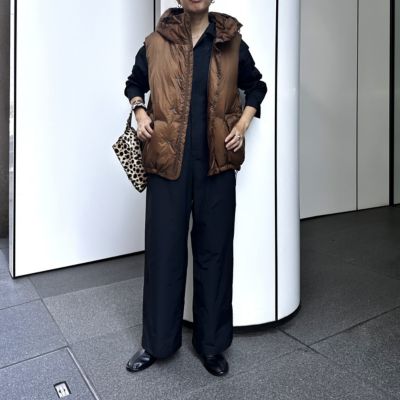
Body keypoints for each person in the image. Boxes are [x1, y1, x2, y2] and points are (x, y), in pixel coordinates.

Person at [124, 0, 267, 377]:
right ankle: (156, 343)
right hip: (166, 163)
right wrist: (140, 111)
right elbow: (134, 83)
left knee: (215, 254)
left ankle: (212, 345)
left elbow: (256, 86)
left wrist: (242, 125)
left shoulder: (231, 41)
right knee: (163, 254)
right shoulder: (156, 42)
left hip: (216, 164)